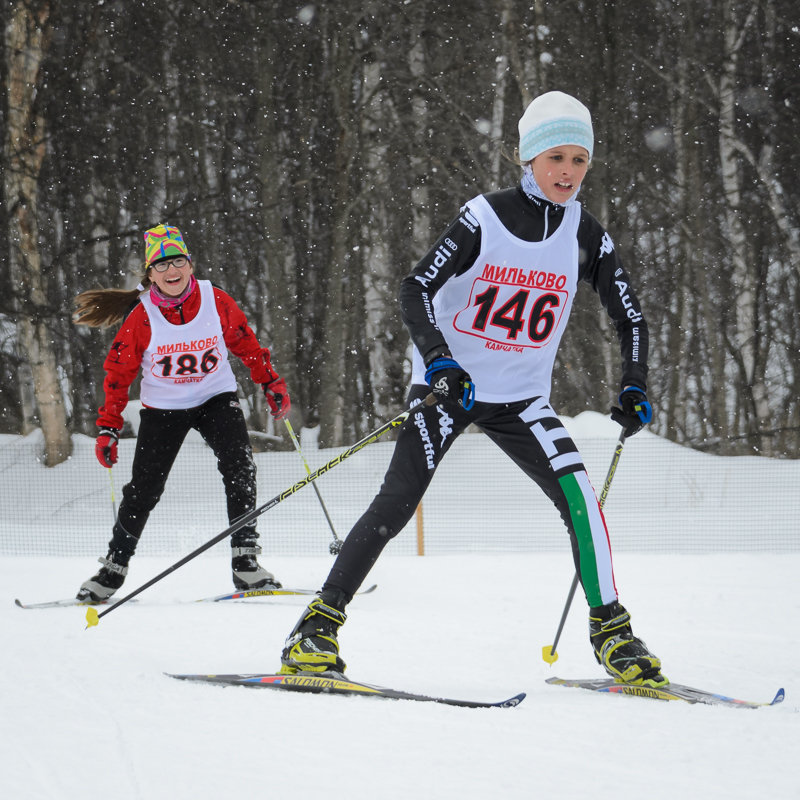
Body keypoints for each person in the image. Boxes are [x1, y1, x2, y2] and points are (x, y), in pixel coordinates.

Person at [279, 91, 667, 687]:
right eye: (555, 157)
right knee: (397, 501)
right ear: (528, 158)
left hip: (522, 400)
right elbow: (415, 289)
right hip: (450, 388)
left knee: (582, 502)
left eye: (580, 160)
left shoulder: (585, 233)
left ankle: (613, 634)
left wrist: (635, 381)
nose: (567, 171)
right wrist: (439, 363)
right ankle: (315, 630)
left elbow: (631, 316)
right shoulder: (486, 216)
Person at [73, 223, 291, 602]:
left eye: (177, 261)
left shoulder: (215, 299)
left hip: (215, 398)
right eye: (161, 265)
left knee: (240, 468)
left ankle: (246, 563)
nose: (171, 271)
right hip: (164, 408)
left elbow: (245, 342)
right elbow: (118, 374)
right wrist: (108, 428)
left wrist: (269, 381)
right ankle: (113, 568)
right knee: (144, 488)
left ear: (190, 264)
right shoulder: (140, 317)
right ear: (150, 274)